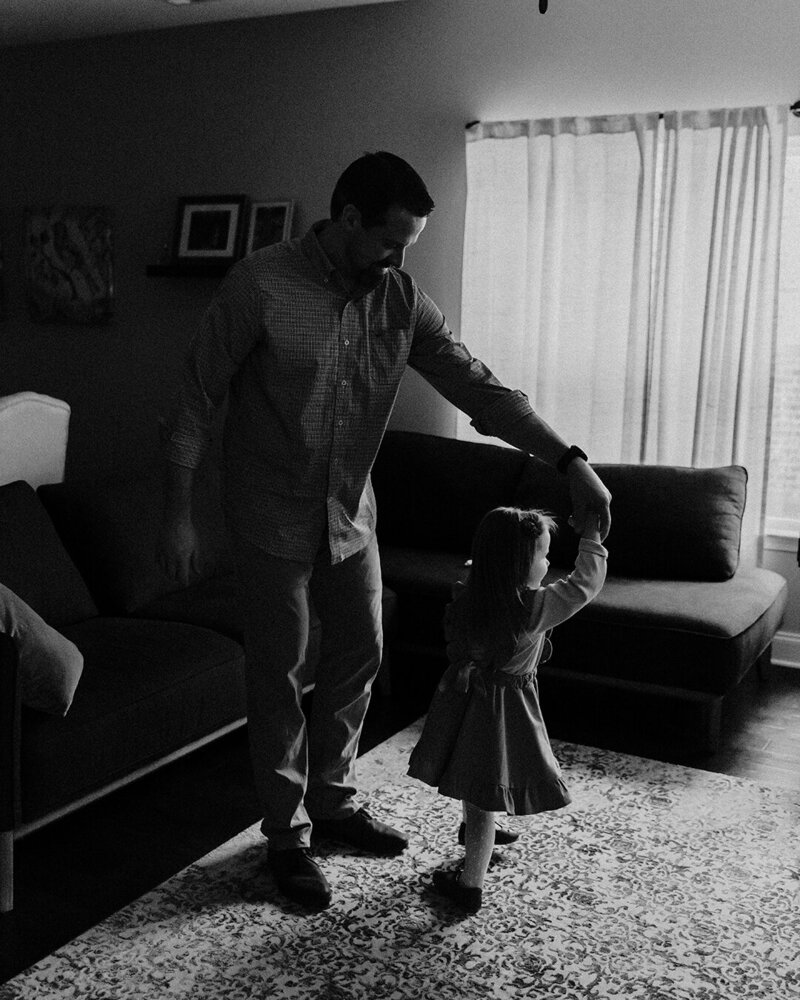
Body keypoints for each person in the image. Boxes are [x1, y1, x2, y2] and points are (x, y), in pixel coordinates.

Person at [157, 151, 611, 911]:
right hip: (267, 517)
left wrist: (568, 461)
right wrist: (176, 513)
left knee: (359, 654)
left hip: (349, 516)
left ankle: (333, 804)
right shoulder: (260, 284)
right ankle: (286, 835)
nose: (400, 260)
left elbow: (482, 388)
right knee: (280, 673)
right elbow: (195, 400)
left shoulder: (400, 300)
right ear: (347, 219)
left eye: (410, 247)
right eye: (390, 242)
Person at [407, 506, 607, 913]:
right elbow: (584, 584)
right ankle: (469, 886)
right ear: (519, 564)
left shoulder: (470, 588)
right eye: (543, 557)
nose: (549, 564)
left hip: (464, 702)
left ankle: (475, 833)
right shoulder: (533, 608)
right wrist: (593, 540)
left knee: (472, 773)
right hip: (500, 710)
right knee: (484, 792)